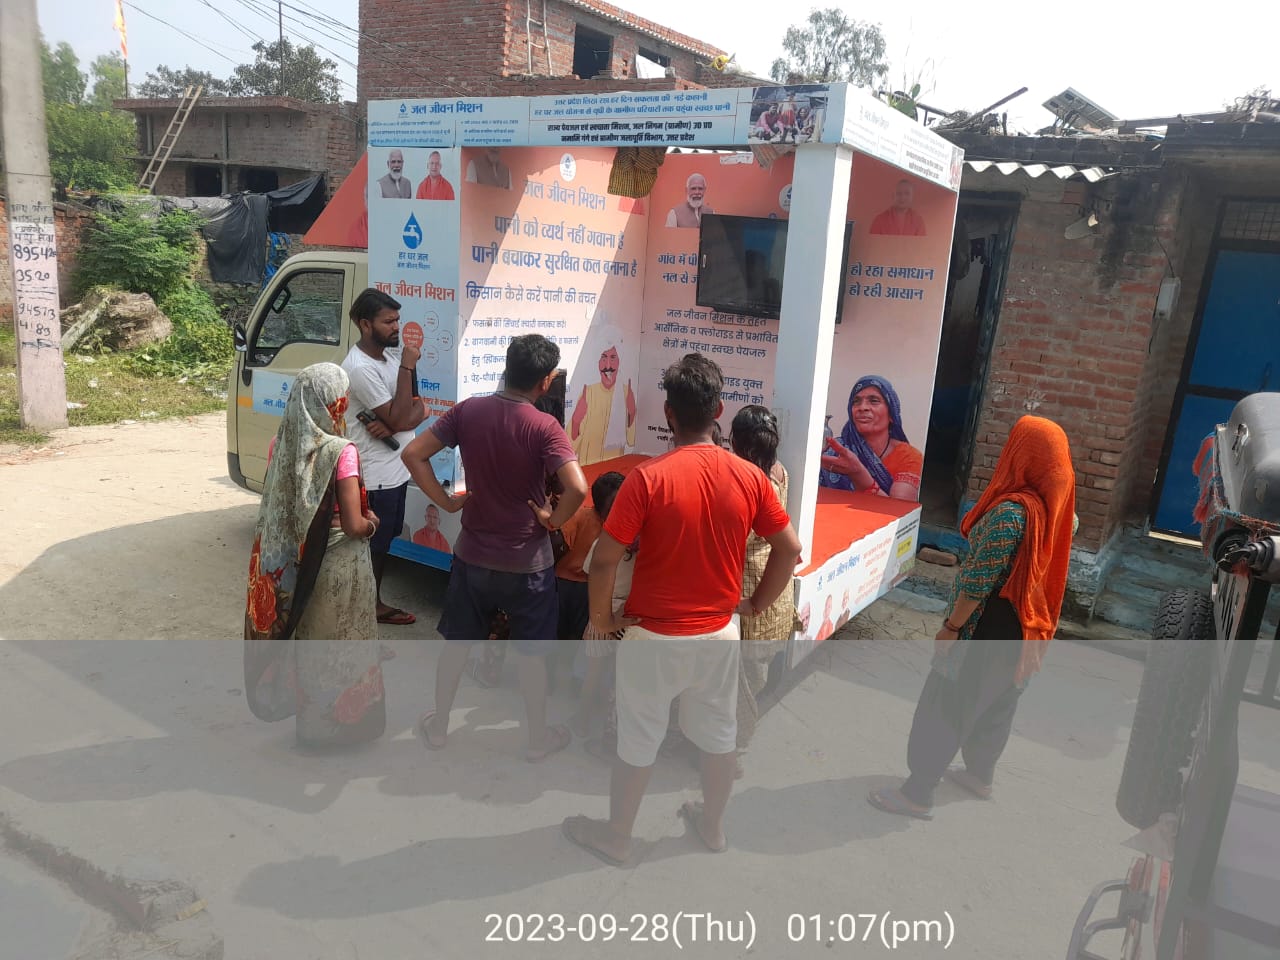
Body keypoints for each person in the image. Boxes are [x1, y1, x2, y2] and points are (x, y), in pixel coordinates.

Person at [562, 353, 802, 866]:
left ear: (668, 413)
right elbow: (790, 549)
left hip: (652, 636)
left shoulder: (647, 478)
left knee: (637, 739)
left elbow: (603, 559)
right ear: (718, 410)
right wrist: (754, 605)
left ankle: (618, 837)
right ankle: (712, 828)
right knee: (719, 737)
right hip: (719, 632)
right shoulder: (751, 477)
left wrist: (602, 620)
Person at [868, 415, 1076, 820]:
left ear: (1021, 454)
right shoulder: (1060, 512)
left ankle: (917, 793)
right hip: (1028, 630)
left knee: (947, 704)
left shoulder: (1010, 515)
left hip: (985, 627)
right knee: (998, 702)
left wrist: (951, 628)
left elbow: (978, 582)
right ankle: (980, 776)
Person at [402, 334, 588, 762]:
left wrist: (446, 501)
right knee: (532, 657)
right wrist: (552, 519)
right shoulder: (545, 427)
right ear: (546, 381)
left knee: (457, 645)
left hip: (473, 556)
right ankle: (537, 740)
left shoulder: (469, 411)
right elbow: (577, 488)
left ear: (507, 367)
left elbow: (413, 454)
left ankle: (440, 727)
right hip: (528, 563)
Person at [243, 363, 386, 748]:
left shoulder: (281, 443)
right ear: (333, 403)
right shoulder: (341, 452)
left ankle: (312, 730)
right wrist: (372, 524)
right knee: (344, 647)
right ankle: (344, 730)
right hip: (341, 566)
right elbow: (353, 525)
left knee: (312, 645)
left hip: (303, 566)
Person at [341, 289, 427, 626]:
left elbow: (418, 406)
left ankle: (367, 602)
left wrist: (397, 421)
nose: (396, 328)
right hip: (375, 474)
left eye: (397, 320)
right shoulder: (361, 368)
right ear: (366, 325)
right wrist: (407, 368)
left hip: (397, 469)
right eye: (388, 321)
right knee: (372, 546)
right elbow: (404, 416)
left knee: (384, 541)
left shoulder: (389, 360)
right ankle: (368, 606)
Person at [729, 405, 797, 777]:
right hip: (774, 591)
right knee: (751, 677)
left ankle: (732, 752)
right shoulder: (779, 471)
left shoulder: (750, 486)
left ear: (735, 441)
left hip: (751, 594)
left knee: (741, 684)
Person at [570, 471, 629, 754]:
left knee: (594, 672)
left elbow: (588, 573)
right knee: (621, 677)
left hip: (601, 612)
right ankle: (611, 727)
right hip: (629, 618)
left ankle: (582, 721)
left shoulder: (602, 543)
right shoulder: (644, 544)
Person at [820, 375, 923, 501]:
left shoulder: (908, 456)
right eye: (856, 401)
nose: (862, 407)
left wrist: (859, 474)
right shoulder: (835, 450)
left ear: (891, 414)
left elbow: (898, 509)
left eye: (874, 401)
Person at [569, 324, 636, 465]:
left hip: (614, 471)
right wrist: (576, 421)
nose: (608, 365)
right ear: (597, 361)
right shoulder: (588, 393)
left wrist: (631, 413)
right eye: (603, 358)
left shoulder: (626, 393)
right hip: (588, 470)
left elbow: (631, 441)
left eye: (613, 357)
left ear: (620, 360)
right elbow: (570, 446)